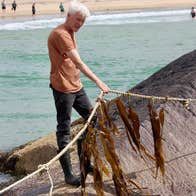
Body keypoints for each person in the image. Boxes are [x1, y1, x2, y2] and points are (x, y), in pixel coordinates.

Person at [48, 1, 110, 187]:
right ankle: (68, 174)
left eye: (82, 21)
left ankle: (85, 162)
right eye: (77, 20)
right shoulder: (61, 34)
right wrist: (99, 82)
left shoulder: (70, 32)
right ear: (68, 16)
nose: (79, 24)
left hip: (76, 85)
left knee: (92, 120)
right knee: (64, 129)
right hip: (62, 88)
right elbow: (79, 63)